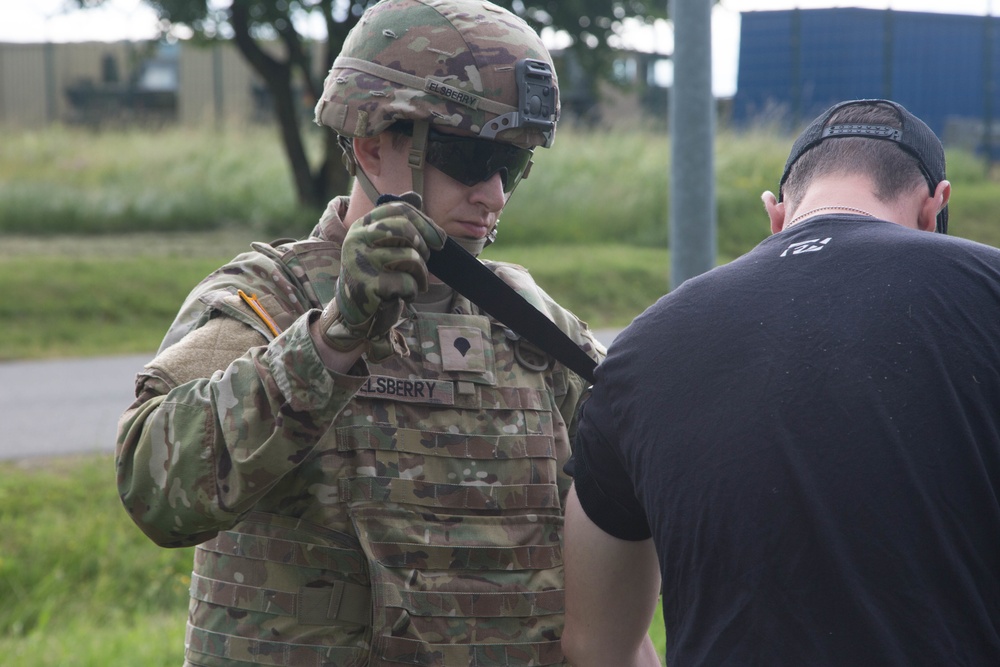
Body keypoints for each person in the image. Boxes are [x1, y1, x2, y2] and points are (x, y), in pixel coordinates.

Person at [115, 2, 604, 665]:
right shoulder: (267, 299)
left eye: (511, 165)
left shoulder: (529, 321)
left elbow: (636, 488)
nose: (494, 194)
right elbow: (154, 484)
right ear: (373, 145)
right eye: (469, 158)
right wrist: (331, 339)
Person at [562, 98, 1000, 666]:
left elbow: (594, 643)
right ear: (933, 207)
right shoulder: (987, 291)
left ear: (776, 212)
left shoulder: (639, 350)